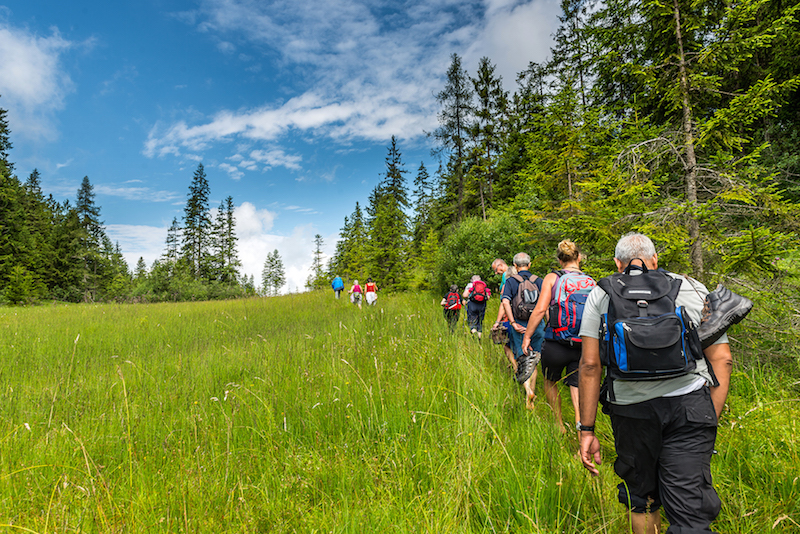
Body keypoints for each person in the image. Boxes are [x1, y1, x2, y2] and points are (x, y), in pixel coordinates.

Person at [578, 232, 734, 534]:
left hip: (630, 412)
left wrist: (587, 430)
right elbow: (723, 359)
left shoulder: (602, 292)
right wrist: (707, 417)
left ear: (617, 263)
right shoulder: (690, 287)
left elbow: (589, 365)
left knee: (642, 499)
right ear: (655, 260)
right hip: (689, 407)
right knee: (690, 511)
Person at [522, 240, 594, 434]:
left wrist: (527, 336)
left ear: (559, 260)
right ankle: (581, 429)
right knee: (577, 386)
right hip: (582, 344)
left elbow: (539, 310)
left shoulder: (552, 278)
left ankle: (559, 424)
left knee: (550, 380)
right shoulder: (590, 281)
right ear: (579, 258)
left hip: (556, 341)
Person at [501, 252, 545, 409]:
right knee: (534, 360)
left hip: (520, 325)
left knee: (523, 358)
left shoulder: (511, 281)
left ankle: (528, 391)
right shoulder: (539, 281)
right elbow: (545, 305)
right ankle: (531, 391)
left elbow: (505, 302)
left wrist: (512, 322)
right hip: (538, 325)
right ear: (530, 264)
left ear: (514, 265)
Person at [492, 259, 518, 371]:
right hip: (521, 314)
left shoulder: (506, 276)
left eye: (496, 270)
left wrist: (497, 321)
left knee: (507, 343)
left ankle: (516, 366)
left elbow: (504, 301)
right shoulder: (518, 275)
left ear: (501, 265)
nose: (496, 273)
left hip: (509, 315)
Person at [462, 275, 491, 340]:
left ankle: (474, 332)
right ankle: (479, 339)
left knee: (472, 321)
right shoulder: (483, 285)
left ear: (472, 280)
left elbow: (465, 295)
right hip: (482, 305)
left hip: (472, 305)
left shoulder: (470, 285)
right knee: (479, 322)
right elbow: (488, 297)